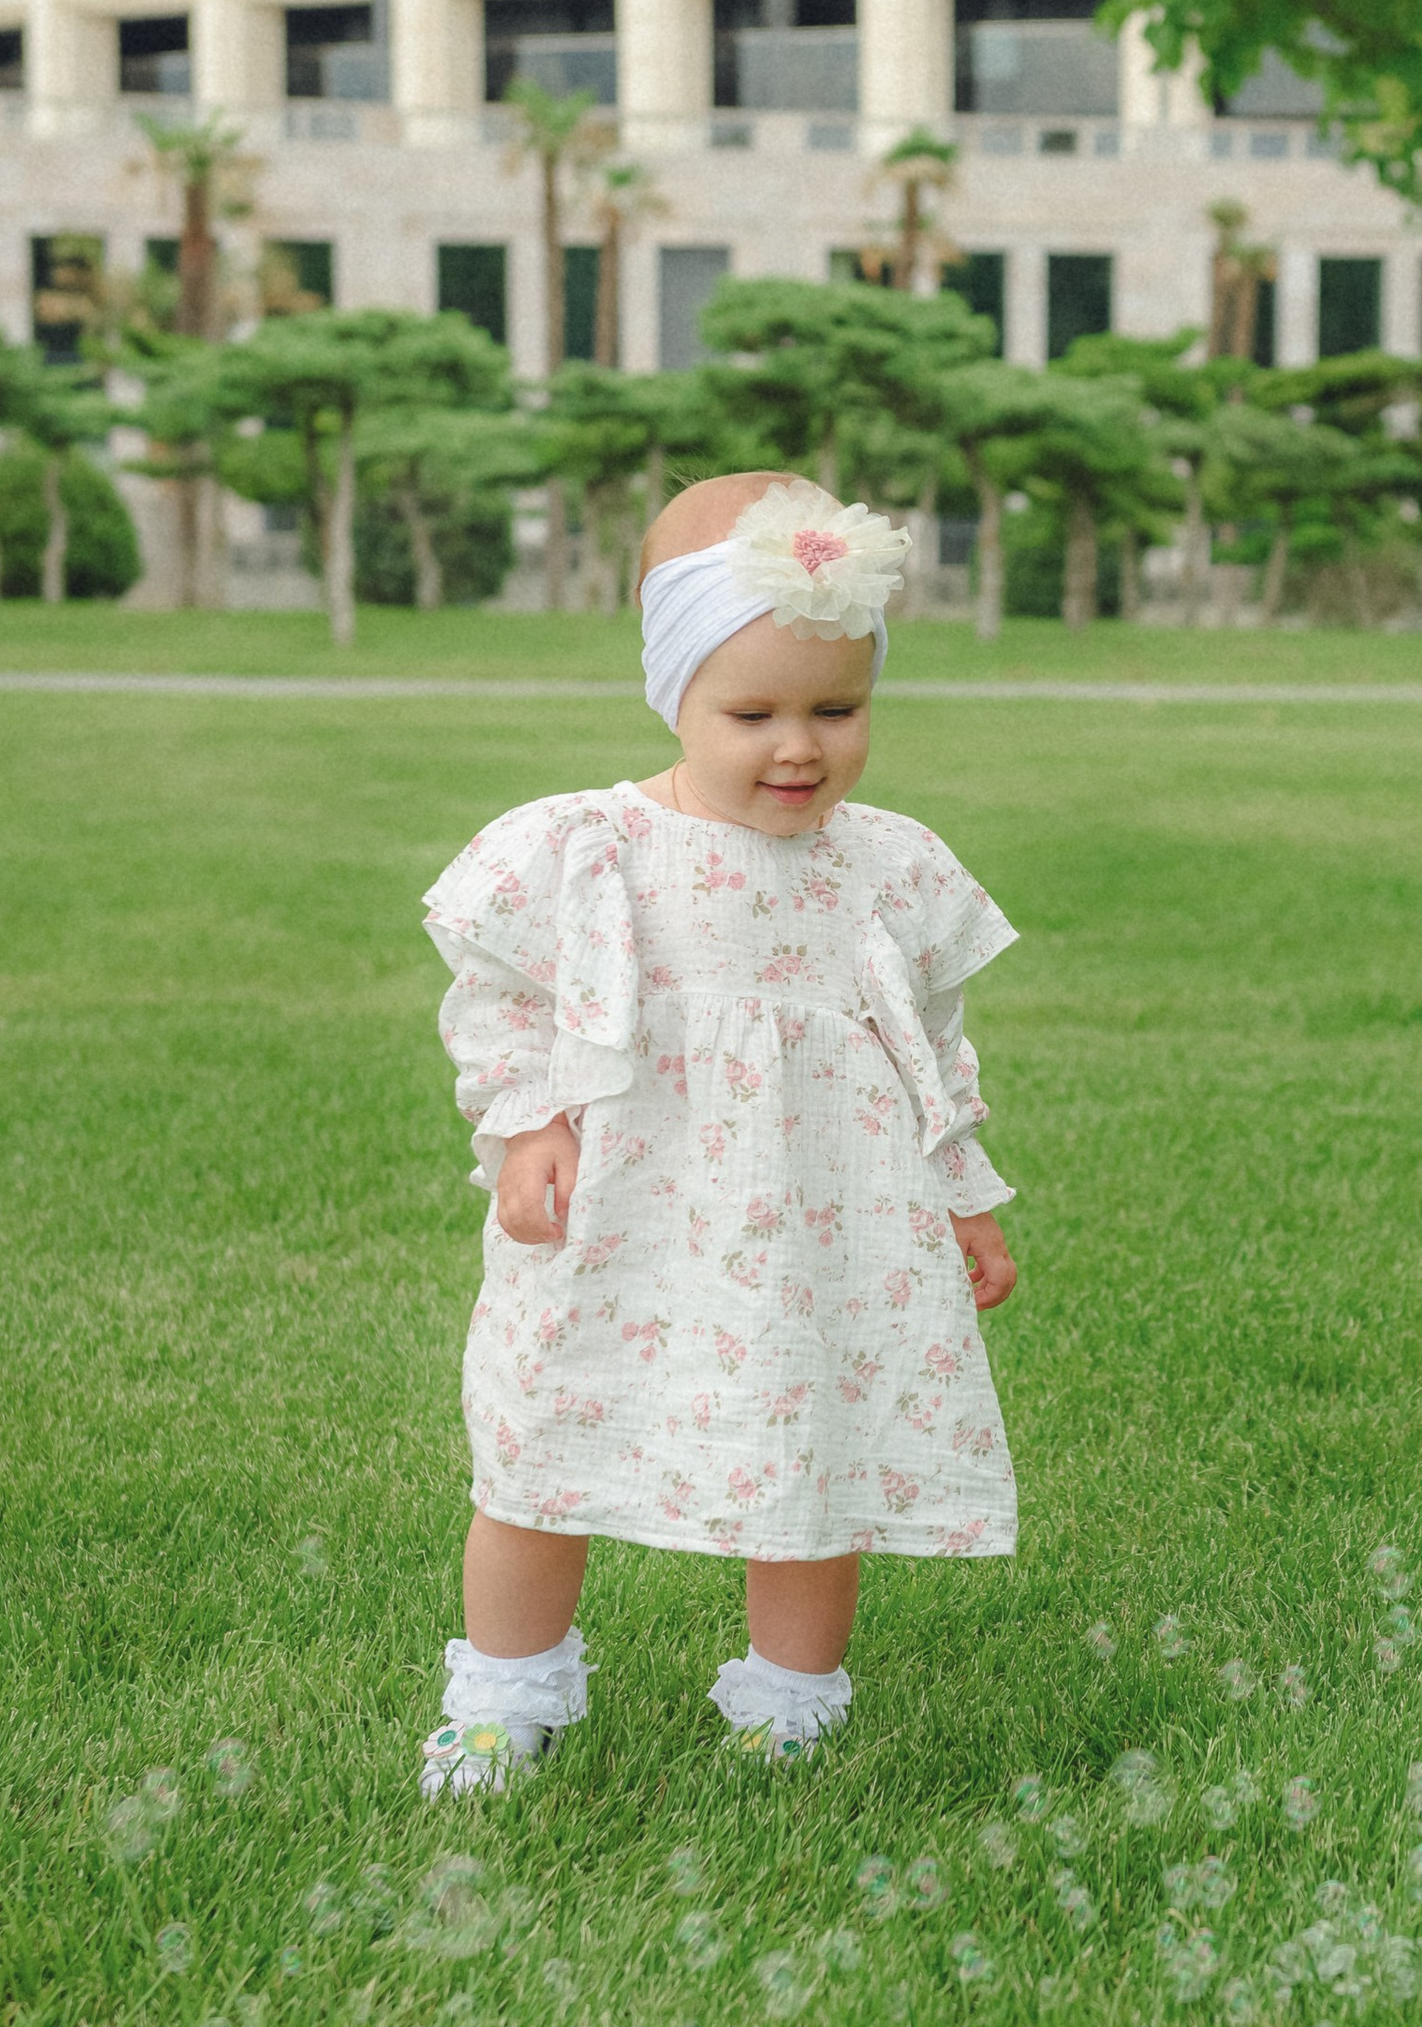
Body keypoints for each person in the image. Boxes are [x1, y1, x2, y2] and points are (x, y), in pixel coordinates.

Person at [412, 469, 1019, 1799]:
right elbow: (503, 993)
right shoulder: (593, 851)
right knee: (540, 1445)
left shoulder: (886, 865)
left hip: (821, 1222)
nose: (798, 747)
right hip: (624, 1218)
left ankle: (791, 1700)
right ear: (672, 691)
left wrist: (961, 1192)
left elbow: (932, 1047)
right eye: (752, 712)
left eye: (837, 709)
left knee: (814, 1448)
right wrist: (529, 1124)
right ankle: (508, 1689)